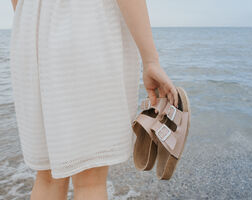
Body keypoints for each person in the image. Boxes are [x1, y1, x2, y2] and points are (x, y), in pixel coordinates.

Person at [10, 0, 178, 199]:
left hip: (31, 31)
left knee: (48, 176)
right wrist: (151, 60)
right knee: (90, 180)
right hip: (86, 28)